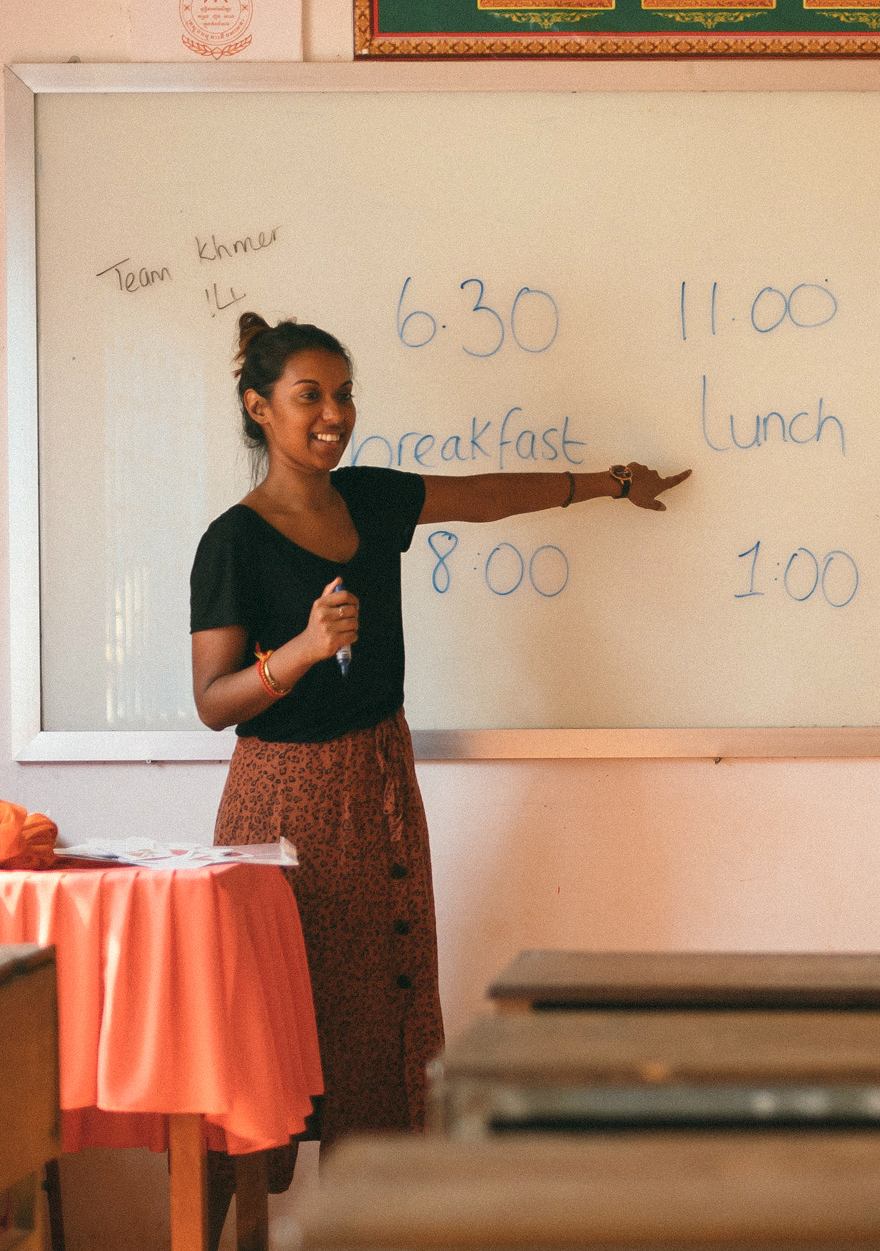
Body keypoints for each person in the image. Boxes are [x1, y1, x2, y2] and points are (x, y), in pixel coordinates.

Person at [186, 313, 689, 1221]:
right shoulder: (234, 539)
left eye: (344, 394)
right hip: (281, 812)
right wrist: (297, 652)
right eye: (311, 396)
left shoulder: (371, 498)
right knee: (266, 1041)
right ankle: (222, 1234)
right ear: (260, 408)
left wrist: (610, 483)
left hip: (377, 787)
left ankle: (375, 1227)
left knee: (382, 1027)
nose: (335, 413)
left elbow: (488, 495)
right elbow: (212, 698)